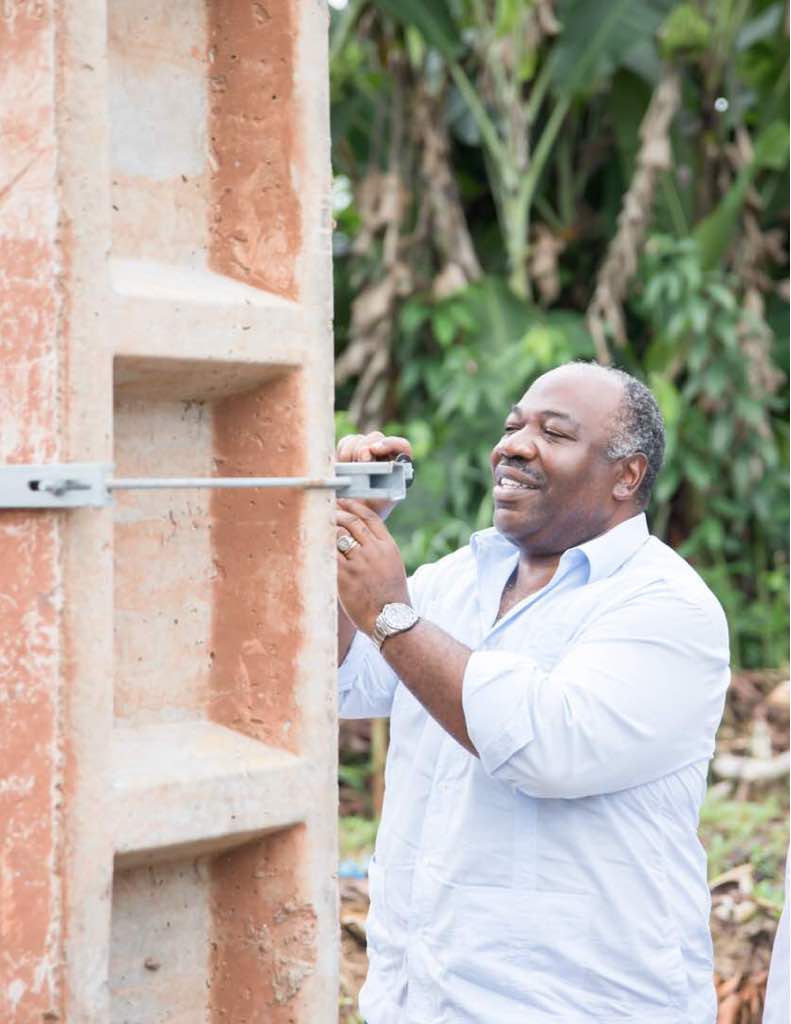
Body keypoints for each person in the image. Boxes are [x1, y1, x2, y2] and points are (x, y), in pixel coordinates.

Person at [336, 361, 730, 1024]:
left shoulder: (666, 605)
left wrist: (389, 615)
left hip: (577, 1007)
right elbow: (344, 680)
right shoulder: (455, 579)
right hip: (421, 998)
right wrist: (349, 523)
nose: (514, 446)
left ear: (626, 475)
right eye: (513, 426)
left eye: (554, 433)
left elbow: (546, 747)